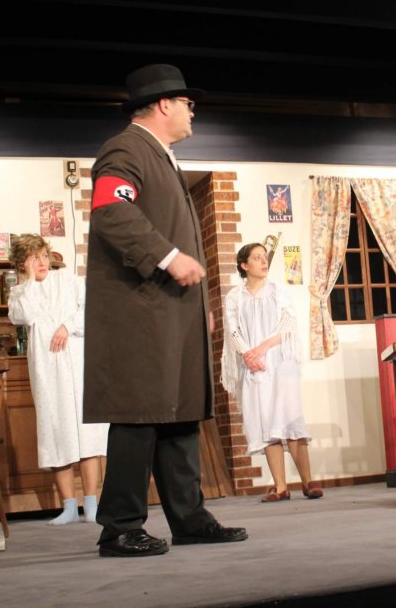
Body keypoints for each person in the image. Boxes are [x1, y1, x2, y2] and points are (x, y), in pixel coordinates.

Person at [84, 64, 248, 557]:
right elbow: (112, 212)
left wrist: (200, 308)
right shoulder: (126, 149)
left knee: (179, 414)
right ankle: (119, 526)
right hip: (141, 312)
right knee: (139, 414)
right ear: (163, 104)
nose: (192, 112)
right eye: (187, 103)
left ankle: (190, 519)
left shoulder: (163, 157)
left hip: (172, 311)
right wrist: (168, 256)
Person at [7, 234, 108, 525]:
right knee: (55, 429)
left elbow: (92, 309)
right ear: (22, 264)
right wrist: (29, 281)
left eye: (43, 256)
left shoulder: (69, 280)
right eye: (32, 258)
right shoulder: (19, 293)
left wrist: (67, 326)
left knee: (85, 431)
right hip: (47, 367)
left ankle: (91, 503)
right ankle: (68, 505)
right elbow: (23, 317)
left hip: (76, 362)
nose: (41, 262)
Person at [222, 243, 323, 502]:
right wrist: (248, 354)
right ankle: (280, 487)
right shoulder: (234, 297)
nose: (263, 261)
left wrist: (262, 348)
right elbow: (233, 330)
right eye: (257, 258)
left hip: (280, 364)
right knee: (267, 423)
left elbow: (288, 324)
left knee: (290, 419)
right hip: (254, 367)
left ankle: (308, 481)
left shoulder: (278, 290)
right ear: (244, 265)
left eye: (264, 257)